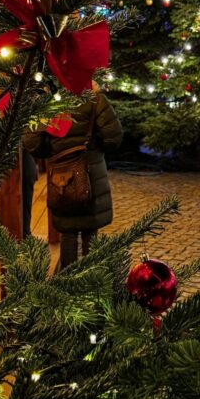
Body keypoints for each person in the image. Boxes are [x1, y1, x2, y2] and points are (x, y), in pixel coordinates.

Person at [22, 83, 123, 267]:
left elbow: (32, 143)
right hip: (91, 176)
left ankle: (66, 286)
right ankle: (91, 286)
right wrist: (92, 147)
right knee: (91, 232)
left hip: (61, 178)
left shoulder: (49, 102)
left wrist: (55, 149)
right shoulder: (94, 97)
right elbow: (114, 137)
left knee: (67, 234)